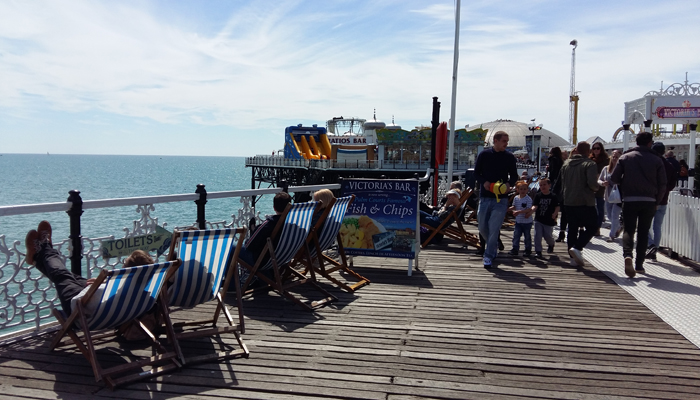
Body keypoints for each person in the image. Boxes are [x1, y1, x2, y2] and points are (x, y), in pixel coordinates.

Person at [25, 221, 154, 316]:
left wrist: (99, 287)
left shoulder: (120, 289)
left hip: (78, 307)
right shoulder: (141, 293)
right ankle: (36, 259)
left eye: (124, 265)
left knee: (61, 275)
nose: (122, 267)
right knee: (68, 276)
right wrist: (103, 284)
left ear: (128, 273)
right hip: (104, 308)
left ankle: (44, 249)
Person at [610, 132, 666, 278]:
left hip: (629, 199)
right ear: (649, 143)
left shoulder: (625, 157)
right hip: (649, 201)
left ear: (636, 141)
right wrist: (657, 201)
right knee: (643, 232)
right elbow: (663, 184)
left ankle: (628, 254)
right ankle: (639, 265)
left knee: (629, 229)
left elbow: (614, 178)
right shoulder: (657, 159)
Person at [474, 131, 518, 268]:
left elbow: (514, 176)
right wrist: (484, 182)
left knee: (494, 228)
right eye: (504, 141)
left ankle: (488, 256)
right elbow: (476, 173)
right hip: (485, 196)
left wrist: (509, 184)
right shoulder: (484, 154)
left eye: (507, 141)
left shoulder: (509, 157)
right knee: (481, 226)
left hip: (501, 199)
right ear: (496, 140)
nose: (506, 143)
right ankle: (492, 247)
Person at [237, 191, 293, 286]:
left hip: (266, 260)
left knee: (232, 248)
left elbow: (249, 246)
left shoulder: (269, 224)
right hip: (283, 257)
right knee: (263, 242)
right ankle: (265, 278)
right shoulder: (294, 223)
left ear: (274, 208)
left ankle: (232, 284)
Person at [559, 141, 599, 267]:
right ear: (589, 151)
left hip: (568, 200)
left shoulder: (566, 164)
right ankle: (577, 247)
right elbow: (592, 184)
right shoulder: (590, 164)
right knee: (593, 226)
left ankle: (572, 258)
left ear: (576, 150)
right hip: (584, 201)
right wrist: (598, 187)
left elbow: (562, 182)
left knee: (572, 228)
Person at [646, 142, 678, 260]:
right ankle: (655, 249)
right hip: (663, 200)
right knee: (657, 226)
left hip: (650, 199)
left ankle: (650, 245)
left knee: (645, 225)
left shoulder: (651, 164)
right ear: (664, 152)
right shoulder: (669, 166)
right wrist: (665, 192)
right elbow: (672, 184)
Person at [598, 149, 623, 242]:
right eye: (613, 156)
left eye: (617, 157)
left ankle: (611, 235)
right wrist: (602, 183)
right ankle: (618, 227)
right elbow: (599, 180)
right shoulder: (606, 168)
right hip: (608, 195)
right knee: (609, 215)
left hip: (619, 196)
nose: (614, 158)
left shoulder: (623, 168)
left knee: (615, 214)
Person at [532, 178, 559, 257]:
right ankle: (538, 251)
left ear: (549, 185)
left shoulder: (553, 196)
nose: (543, 187)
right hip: (539, 219)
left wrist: (555, 214)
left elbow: (557, 206)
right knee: (537, 235)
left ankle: (551, 244)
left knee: (548, 236)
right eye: (541, 185)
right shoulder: (538, 195)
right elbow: (535, 205)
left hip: (549, 220)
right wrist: (530, 211)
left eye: (544, 185)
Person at [507, 181, 533, 257]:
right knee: (516, 235)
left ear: (527, 190)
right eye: (521, 189)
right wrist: (508, 209)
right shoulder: (516, 198)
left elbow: (529, 209)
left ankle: (528, 250)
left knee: (527, 236)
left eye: (524, 189)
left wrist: (519, 212)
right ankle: (515, 249)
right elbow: (514, 206)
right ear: (517, 190)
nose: (523, 191)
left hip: (527, 222)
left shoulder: (528, 199)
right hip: (518, 221)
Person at [590, 142, 610, 235]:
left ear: (601, 149)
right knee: (590, 209)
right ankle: (591, 227)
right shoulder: (590, 160)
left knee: (600, 208)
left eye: (598, 148)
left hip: (601, 187)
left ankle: (597, 228)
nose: (596, 150)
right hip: (590, 187)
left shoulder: (606, 160)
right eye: (594, 148)